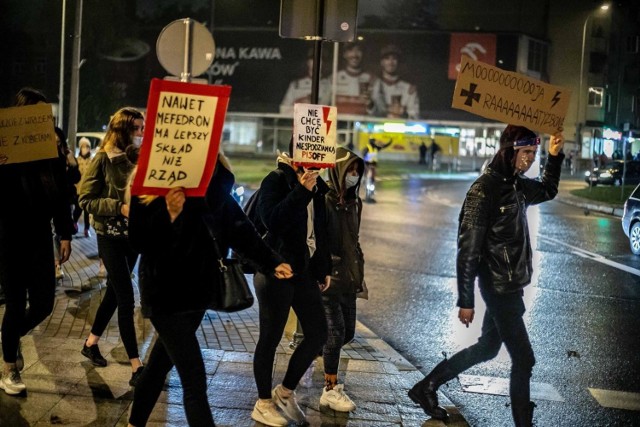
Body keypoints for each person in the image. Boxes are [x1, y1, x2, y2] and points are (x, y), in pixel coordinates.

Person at [407, 125, 564, 427]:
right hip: (496, 287)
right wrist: (466, 300)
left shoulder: (516, 185)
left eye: (534, 153)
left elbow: (547, 190)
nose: (530, 159)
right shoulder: (484, 190)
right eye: (525, 153)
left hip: (511, 285)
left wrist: (554, 157)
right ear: (509, 151)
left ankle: (425, 387)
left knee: (487, 349)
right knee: (524, 359)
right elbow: (468, 251)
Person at [126, 154, 293, 427]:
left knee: (158, 365)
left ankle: (134, 423)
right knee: (194, 378)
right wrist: (167, 213)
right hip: (164, 293)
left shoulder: (214, 187)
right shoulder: (152, 181)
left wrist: (272, 261)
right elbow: (139, 240)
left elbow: (241, 230)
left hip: (197, 292)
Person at [0, 87, 74, 395]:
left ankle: (9, 339)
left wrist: (66, 232)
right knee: (15, 303)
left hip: (40, 238)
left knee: (44, 304)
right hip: (8, 239)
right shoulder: (4, 153)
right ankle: (9, 369)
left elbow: (60, 198)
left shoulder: (50, 154)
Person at [251, 142, 331, 426]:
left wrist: (323, 268)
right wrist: (301, 190)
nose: (319, 161)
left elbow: (319, 230)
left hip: (304, 271)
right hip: (276, 270)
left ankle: (284, 392)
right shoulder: (276, 179)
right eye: (314, 155)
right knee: (270, 338)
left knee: (318, 333)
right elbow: (273, 221)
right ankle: (262, 403)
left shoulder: (318, 183)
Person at [78, 107, 144, 386]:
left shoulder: (140, 157)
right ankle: (136, 366)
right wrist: (119, 207)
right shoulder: (103, 159)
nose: (141, 133)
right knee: (126, 297)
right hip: (110, 236)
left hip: (134, 238)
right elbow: (85, 199)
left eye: (142, 128)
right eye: (136, 128)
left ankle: (90, 343)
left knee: (114, 294)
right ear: (122, 130)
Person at [318, 147, 365, 412]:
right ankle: (330, 389)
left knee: (348, 332)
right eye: (350, 171)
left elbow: (354, 241)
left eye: (358, 172)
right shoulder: (324, 200)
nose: (354, 176)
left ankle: (322, 351)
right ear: (338, 171)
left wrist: (358, 271)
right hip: (329, 278)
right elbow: (320, 240)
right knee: (335, 333)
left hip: (348, 277)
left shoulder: (354, 202)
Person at [53, 127, 81, 280]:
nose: (56, 146)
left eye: (59, 142)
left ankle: (57, 263)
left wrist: (72, 165)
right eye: (54, 142)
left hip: (66, 199)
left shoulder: (66, 156)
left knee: (55, 232)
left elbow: (75, 178)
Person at [370, 44, 420, 120]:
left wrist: (403, 114)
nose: (391, 62)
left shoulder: (409, 89)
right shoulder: (373, 85)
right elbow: (368, 114)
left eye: (394, 59)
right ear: (382, 62)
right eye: (387, 58)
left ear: (398, 62)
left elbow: (415, 116)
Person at [328, 43, 376, 116]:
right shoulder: (334, 78)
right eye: (351, 50)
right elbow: (325, 106)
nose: (354, 55)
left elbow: (378, 112)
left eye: (358, 50)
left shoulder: (372, 79)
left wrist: (370, 103)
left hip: (362, 124)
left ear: (363, 54)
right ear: (345, 54)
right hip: (338, 123)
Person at [279, 50, 330, 115]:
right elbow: (284, 109)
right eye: (312, 59)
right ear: (308, 62)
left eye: (320, 59)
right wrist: (301, 102)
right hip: (296, 119)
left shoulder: (328, 84)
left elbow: (327, 111)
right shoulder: (296, 84)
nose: (316, 61)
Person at [75, 137, 93, 237]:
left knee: (87, 211)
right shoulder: (77, 161)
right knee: (78, 209)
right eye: (83, 146)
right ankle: (74, 222)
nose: (85, 148)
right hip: (79, 190)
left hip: (89, 190)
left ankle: (87, 229)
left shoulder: (92, 161)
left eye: (87, 146)